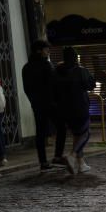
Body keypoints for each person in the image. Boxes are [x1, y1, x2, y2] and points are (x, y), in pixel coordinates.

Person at [53, 46, 96, 174]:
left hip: (64, 109)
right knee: (85, 132)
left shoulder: (57, 71)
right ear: (75, 57)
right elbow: (90, 84)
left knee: (77, 134)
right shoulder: (80, 71)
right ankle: (72, 155)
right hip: (80, 106)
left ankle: (81, 163)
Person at [21, 40, 61, 171]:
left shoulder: (26, 67)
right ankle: (57, 156)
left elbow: (26, 89)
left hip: (37, 104)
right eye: (46, 49)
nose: (48, 51)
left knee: (40, 132)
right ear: (39, 50)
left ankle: (43, 162)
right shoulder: (46, 65)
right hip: (50, 103)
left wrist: (34, 101)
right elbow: (54, 84)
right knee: (61, 127)